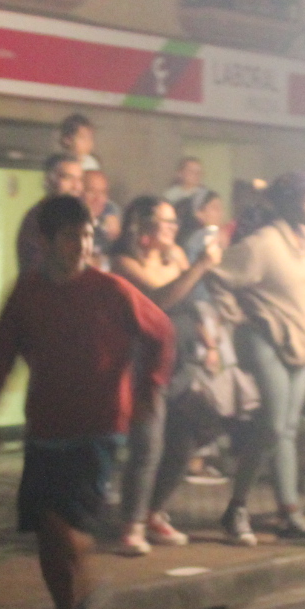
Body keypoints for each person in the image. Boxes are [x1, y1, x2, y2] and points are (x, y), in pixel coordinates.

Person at [0, 195, 176, 609]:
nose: (82, 245)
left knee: (64, 524)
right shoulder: (27, 292)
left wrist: (149, 387)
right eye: (71, 237)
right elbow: (3, 348)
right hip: (46, 425)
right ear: (46, 241)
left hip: (99, 426)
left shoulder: (111, 290)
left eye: (87, 236)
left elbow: (162, 332)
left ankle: (80, 597)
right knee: (47, 532)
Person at [208, 172, 305, 547]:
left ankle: (283, 512)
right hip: (265, 339)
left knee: (287, 430)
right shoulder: (262, 243)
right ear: (288, 202)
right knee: (275, 427)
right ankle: (241, 508)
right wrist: (237, 315)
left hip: (300, 341)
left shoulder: (304, 240)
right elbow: (217, 275)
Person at [111, 196, 222, 554]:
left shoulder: (175, 257)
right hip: (145, 366)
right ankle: (132, 524)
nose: (174, 229)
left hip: (182, 363)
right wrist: (200, 264)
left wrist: (209, 341)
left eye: (175, 222)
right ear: (142, 224)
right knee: (148, 445)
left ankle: (153, 510)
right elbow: (159, 300)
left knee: (186, 440)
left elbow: (189, 302)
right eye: (166, 222)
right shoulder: (123, 262)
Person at [16, 152, 85, 276]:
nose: (76, 186)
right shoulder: (37, 218)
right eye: (68, 178)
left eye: (79, 179)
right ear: (49, 180)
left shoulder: (81, 216)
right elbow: (36, 266)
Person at [82, 168, 122, 261]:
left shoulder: (110, 216)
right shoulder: (71, 225)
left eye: (103, 192)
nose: (98, 198)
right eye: (91, 191)